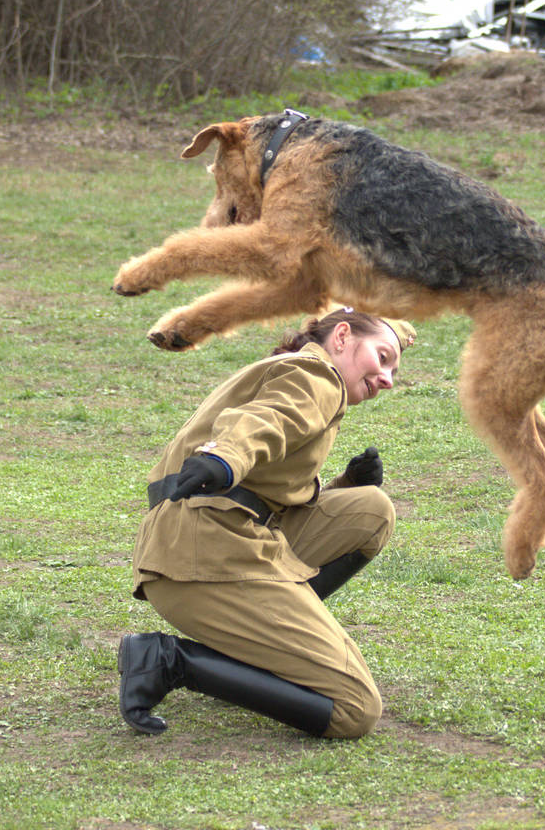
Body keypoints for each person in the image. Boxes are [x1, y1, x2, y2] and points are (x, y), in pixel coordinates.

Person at [117, 307, 412, 739]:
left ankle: (265, 648)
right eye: (382, 357)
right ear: (343, 337)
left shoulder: (296, 370)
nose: (387, 378)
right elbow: (268, 419)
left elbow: (267, 490)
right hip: (202, 559)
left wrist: (344, 484)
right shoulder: (316, 375)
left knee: (370, 507)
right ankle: (171, 662)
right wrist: (224, 458)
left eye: (393, 370)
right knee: (354, 709)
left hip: (208, 539)